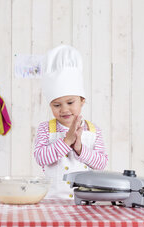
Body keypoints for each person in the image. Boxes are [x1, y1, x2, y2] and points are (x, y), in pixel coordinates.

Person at [34, 45, 108, 199]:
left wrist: (80, 148)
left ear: (82, 101)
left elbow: (101, 164)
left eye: (70, 102)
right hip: (52, 202)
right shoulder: (45, 129)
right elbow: (41, 158)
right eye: (57, 105)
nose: (64, 109)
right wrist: (66, 141)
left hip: (85, 202)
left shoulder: (93, 131)